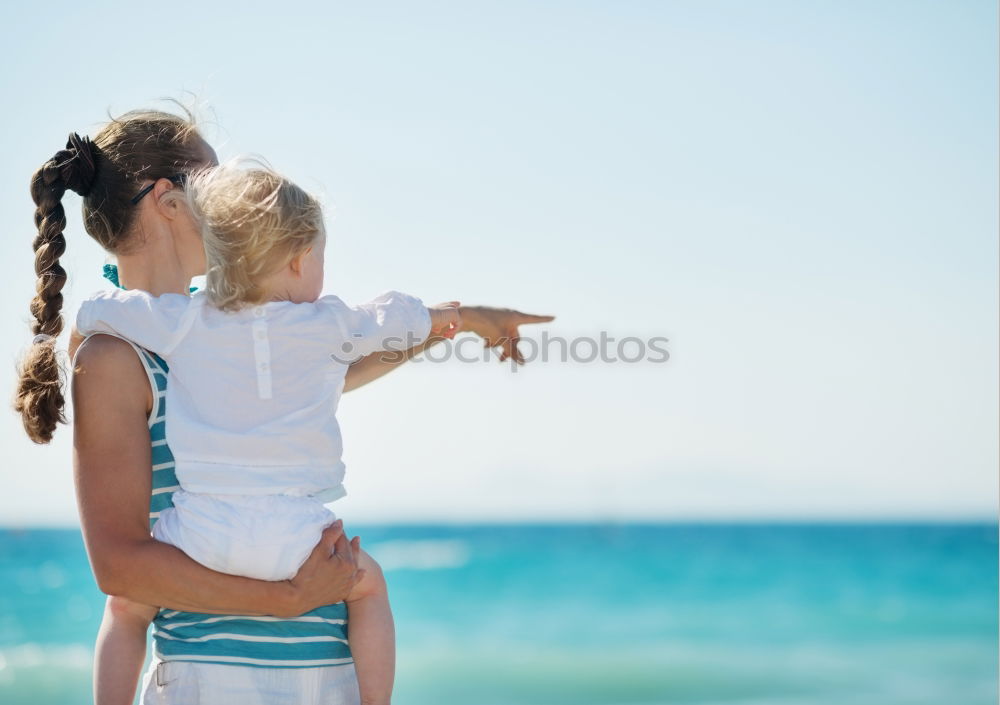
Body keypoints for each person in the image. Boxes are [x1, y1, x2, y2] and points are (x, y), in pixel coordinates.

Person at [15, 108, 554, 705]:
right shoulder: (118, 355)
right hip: (211, 678)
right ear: (170, 203)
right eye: (215, 185)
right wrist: (289, 597)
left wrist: (461, 321)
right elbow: (121, 569)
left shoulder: (224, 327)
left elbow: (335, 369)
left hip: (326, 672)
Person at [75, 163, 461, 705]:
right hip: (282, 553)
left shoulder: (183, 324)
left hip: (206, 535)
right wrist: (453, 317)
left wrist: (76, 331)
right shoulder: (317, 325)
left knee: (124, 608)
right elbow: (390, 318)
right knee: (368, 586)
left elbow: (99, 309)